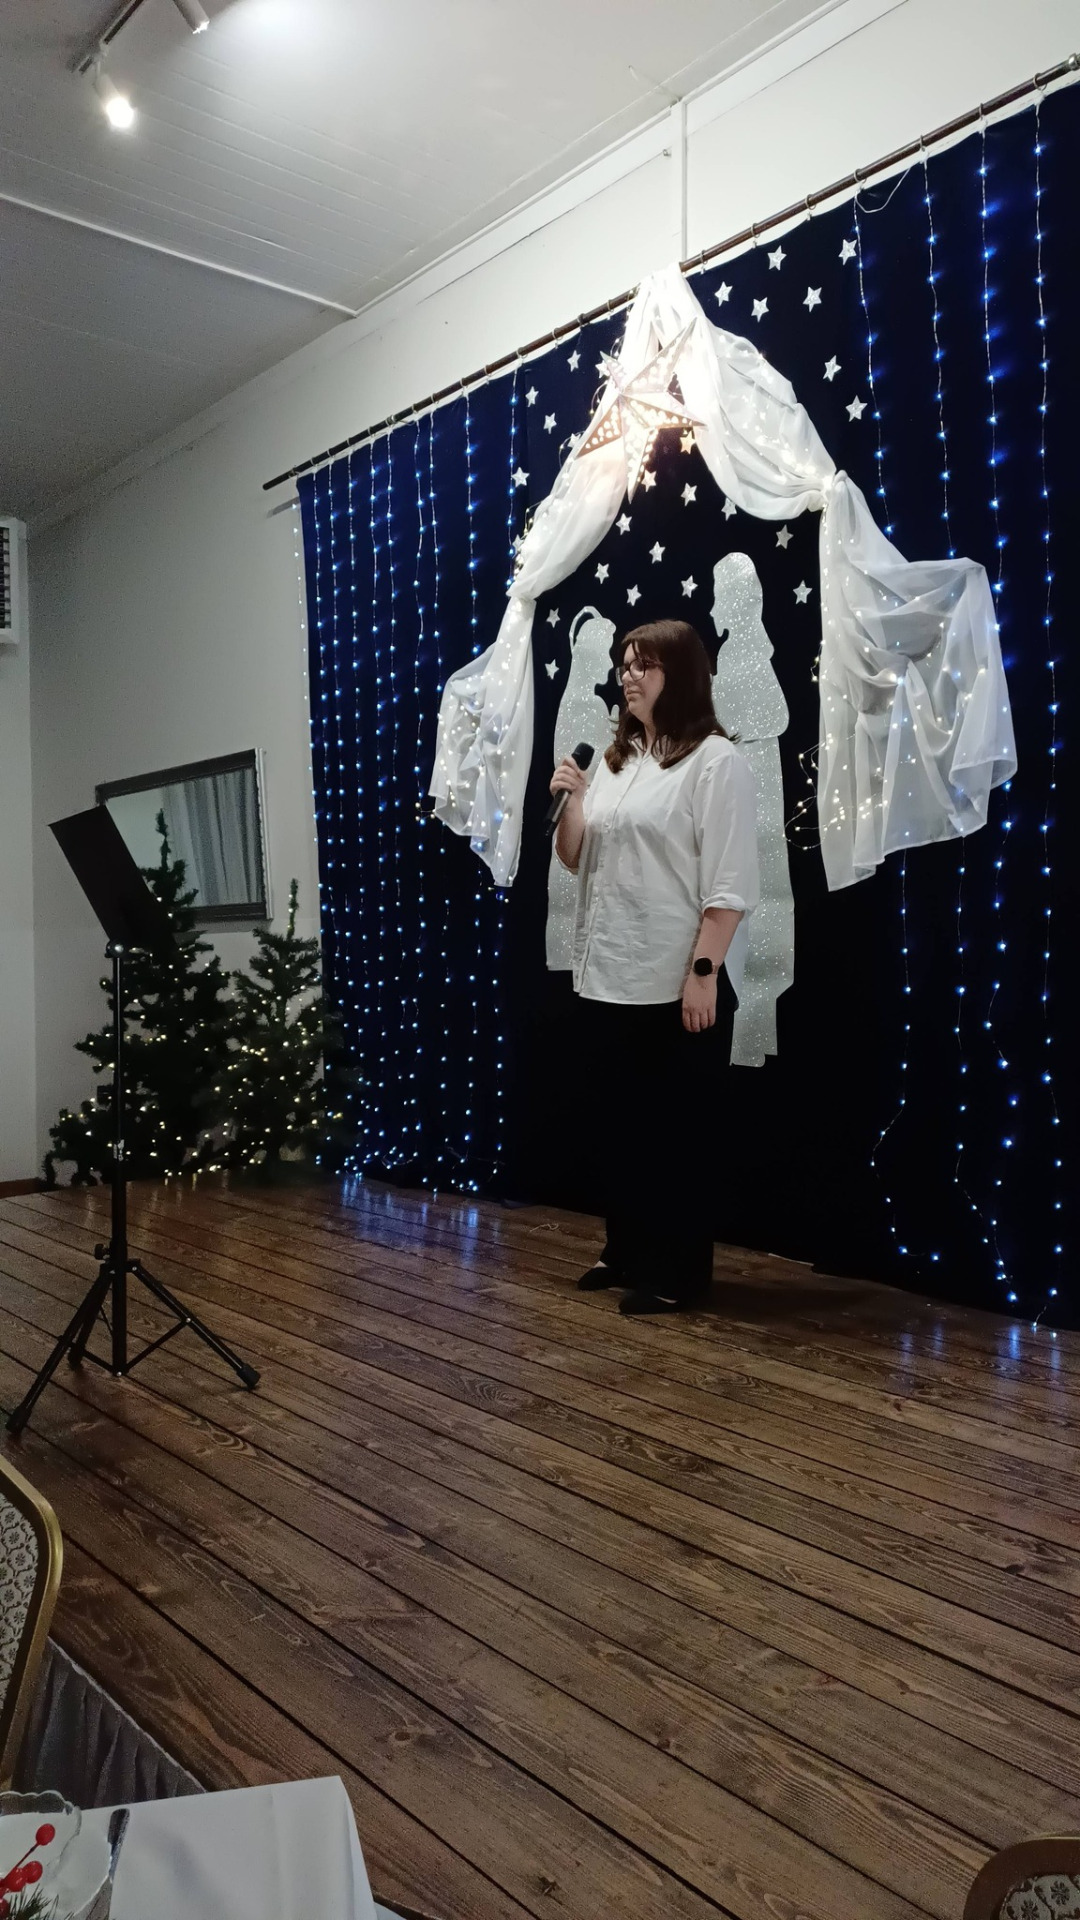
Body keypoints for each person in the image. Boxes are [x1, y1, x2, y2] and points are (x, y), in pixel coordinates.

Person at [549, 618, 760, 1314]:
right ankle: (627, 1251)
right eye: (624, 664)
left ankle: (678, 1275)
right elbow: (576, 857)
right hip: (607, 974)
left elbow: (729, 883)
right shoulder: (618, 761)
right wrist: (575, 801)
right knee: (622, 1131)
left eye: (643, 664)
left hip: (673, 979)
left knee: (677, 1139)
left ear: (682, 674)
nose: (627, 675)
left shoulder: (714, 762)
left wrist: (703, 972)